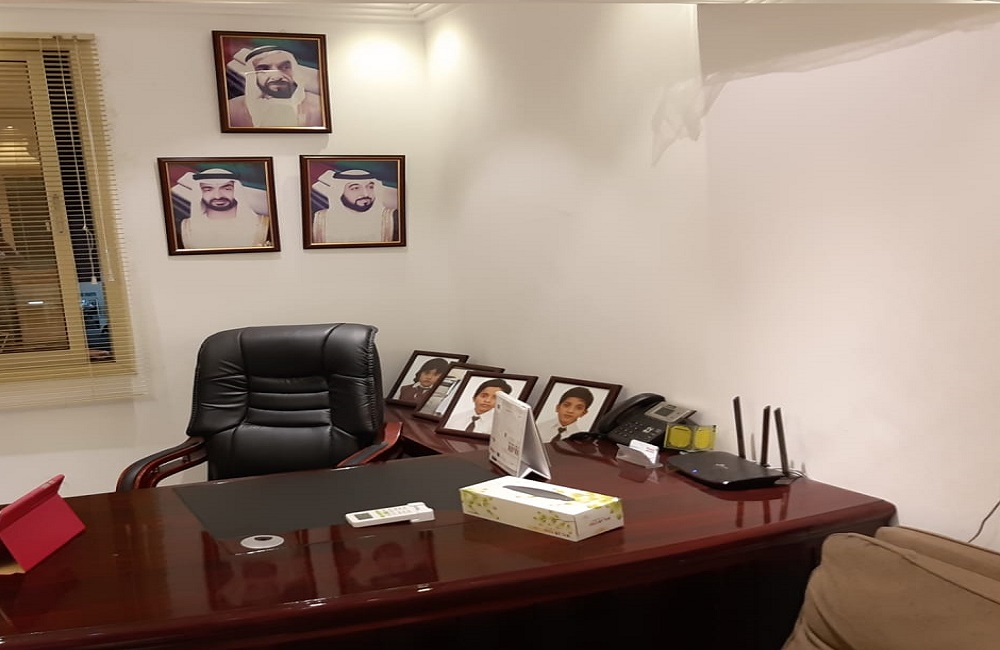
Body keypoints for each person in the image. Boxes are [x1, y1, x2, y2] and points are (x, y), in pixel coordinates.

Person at [227, 45, 324, 128]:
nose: (277, 76)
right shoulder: (232, 109)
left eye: (285, 67)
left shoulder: (318, 107)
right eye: (264, 69)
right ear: (253, 76)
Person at [173, 168, 271, 250]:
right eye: (208, 190)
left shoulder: (265, 226)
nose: (218, 196)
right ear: (199, 193)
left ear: (237, 191)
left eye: (226, 189)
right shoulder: (185, 229)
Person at [311, 168, 400, 244]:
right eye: (355, 188)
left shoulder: (393, 218)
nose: (366, 194)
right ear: (338, 192)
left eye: (370, 187)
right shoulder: (317, 221)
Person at [447, 378, 512, 435]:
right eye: (484, 396)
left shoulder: (500, 426)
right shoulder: (456, 418)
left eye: (495, 398)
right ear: (474, 397)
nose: (487, 400)